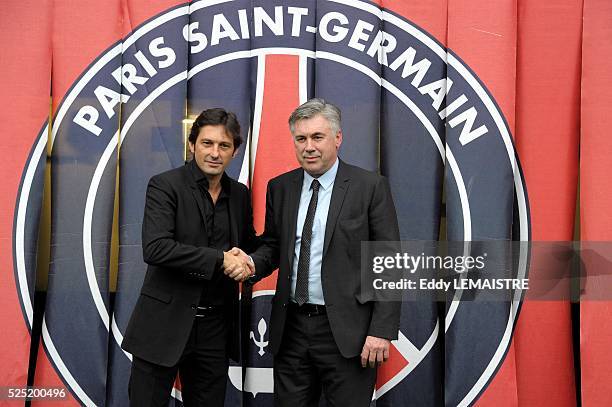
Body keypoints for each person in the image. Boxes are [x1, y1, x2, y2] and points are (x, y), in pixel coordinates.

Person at [242, 98, 401, 407]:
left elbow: (388, 263)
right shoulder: (281, 187)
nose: (308, 147)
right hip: (291, 331)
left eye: (317, 137)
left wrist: (381, 330)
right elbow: (274, 246)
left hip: (347, 334)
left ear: (337, 138)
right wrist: (249, 263)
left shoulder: (369, 187)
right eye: (301, 139)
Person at [122, 108, 256, 407]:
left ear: (235, 151)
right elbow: (156, 248)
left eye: (224, 146)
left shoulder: (240, 195)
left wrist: (252, 262)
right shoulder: (165, 185)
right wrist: (220, 259)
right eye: (207, 143)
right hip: (163, 326)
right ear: (192, 144)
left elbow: (247, 246)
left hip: (215, 328)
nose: (214, 153)